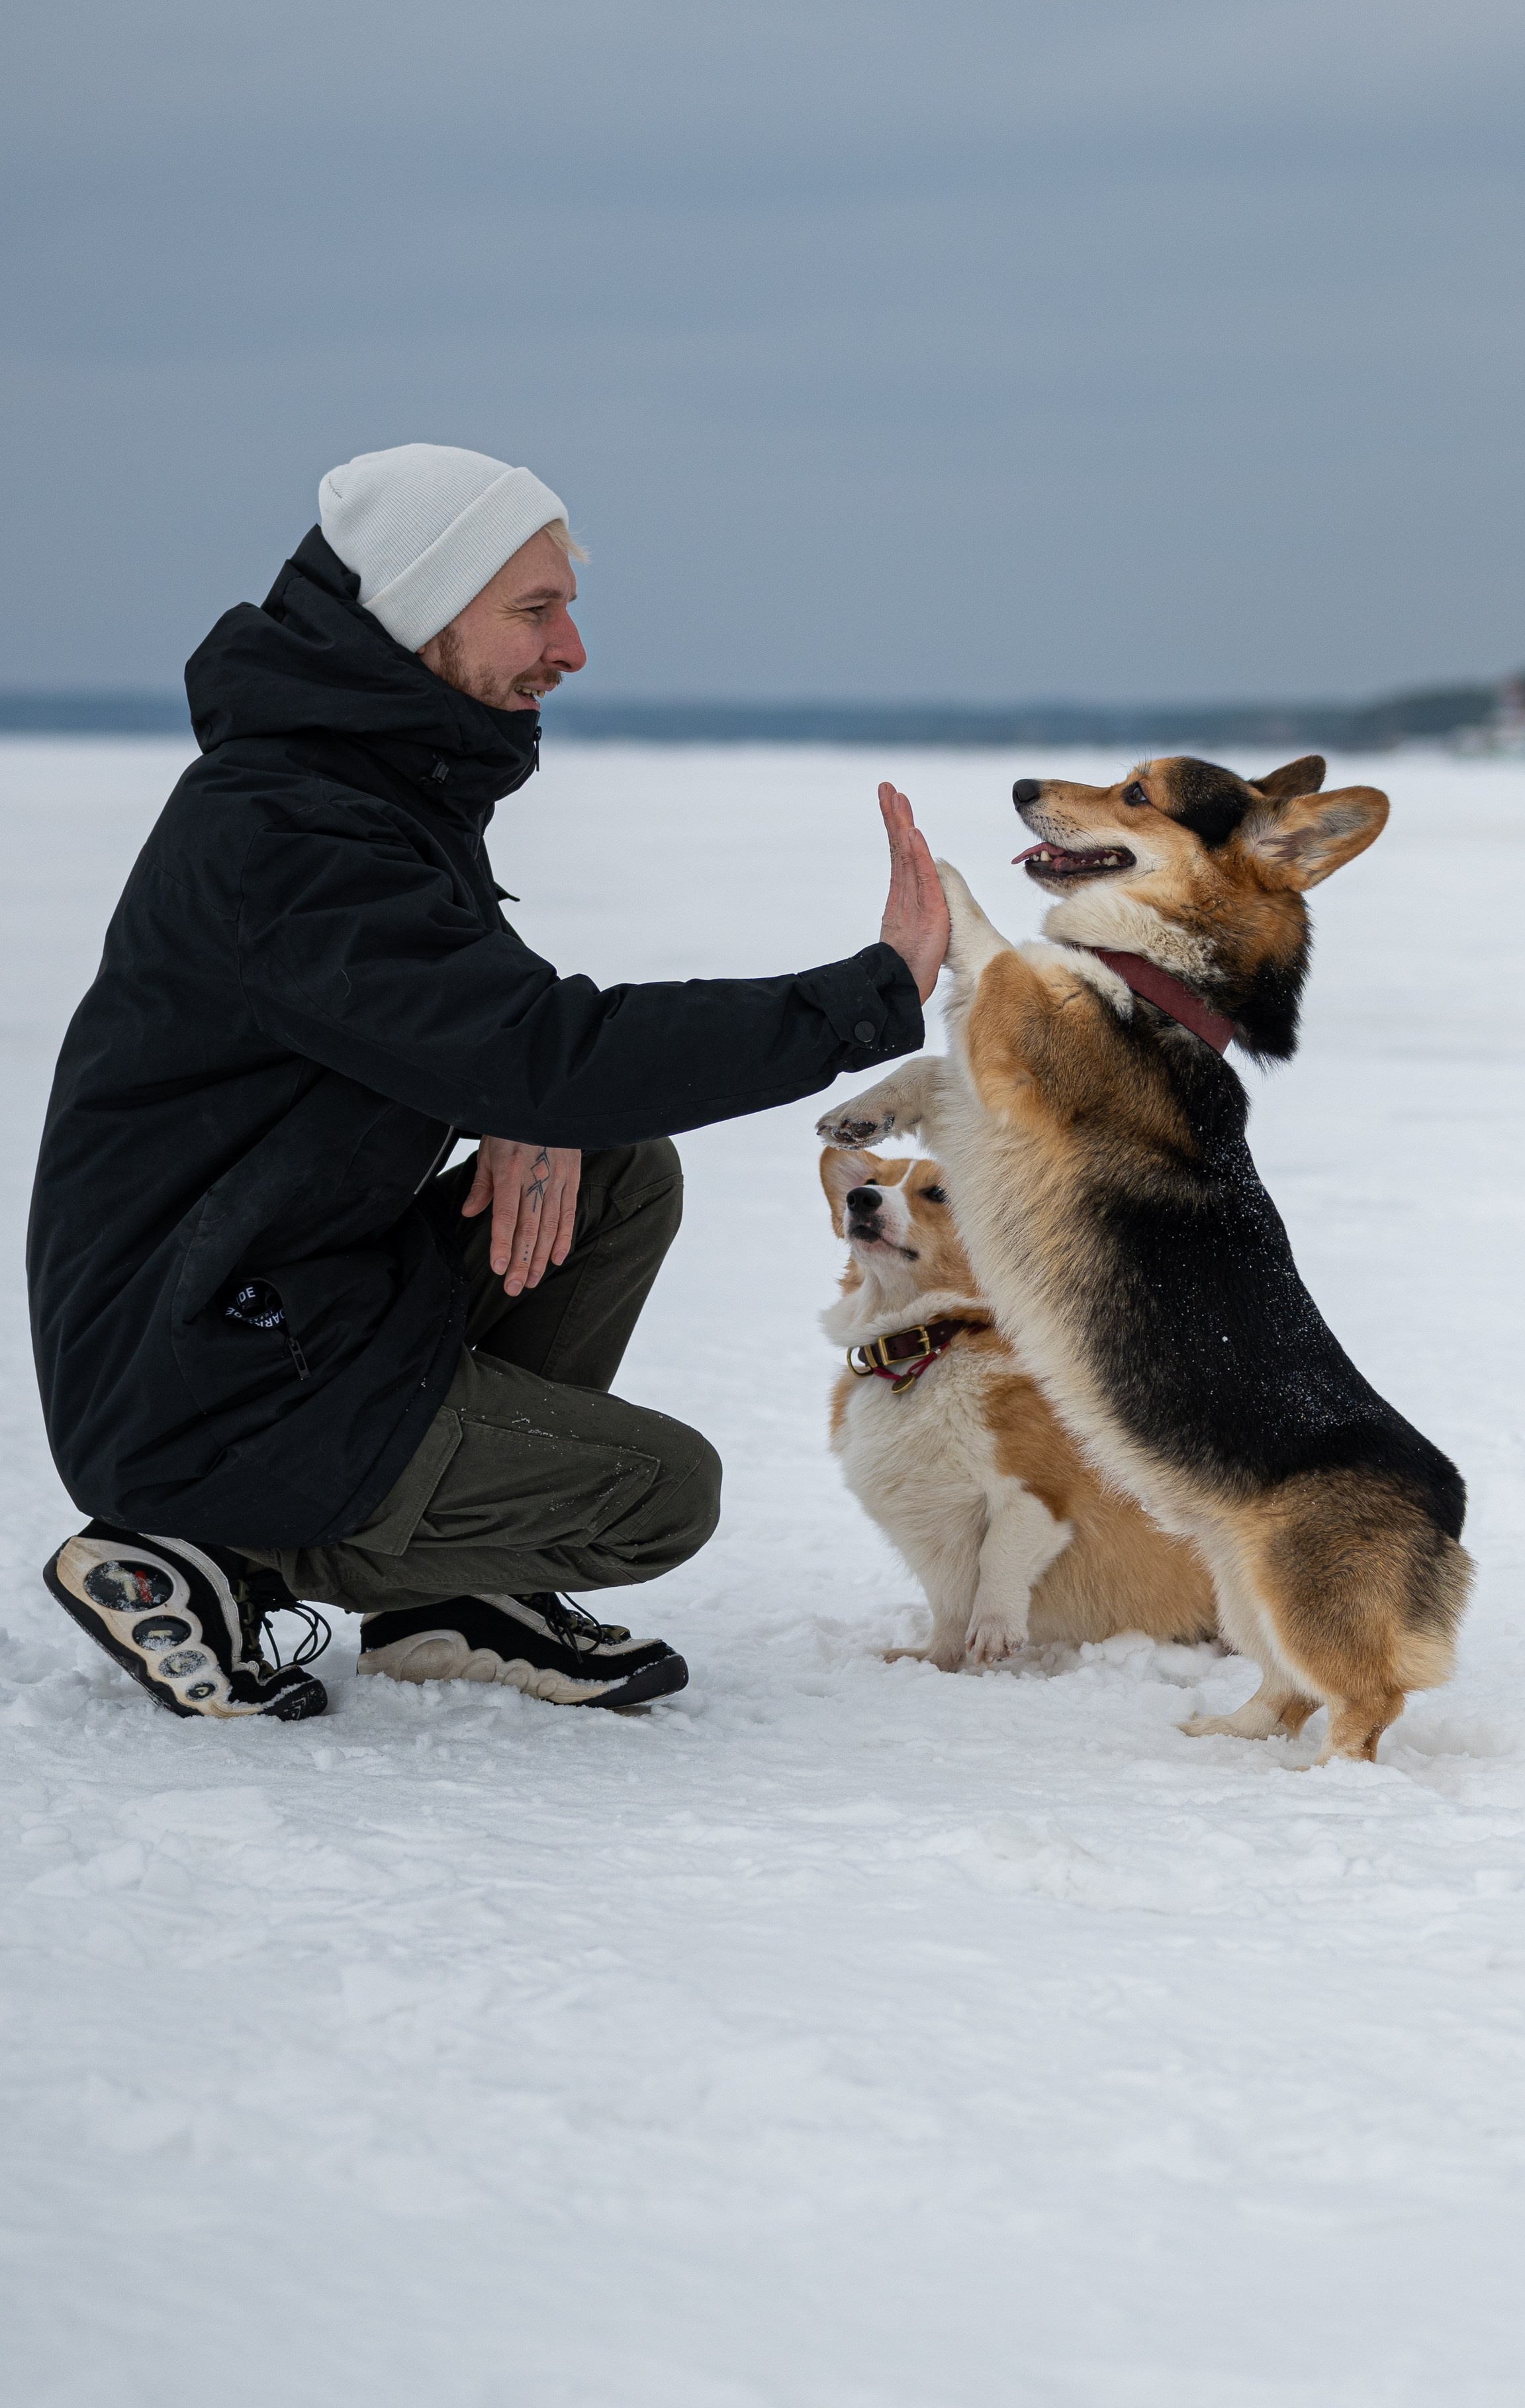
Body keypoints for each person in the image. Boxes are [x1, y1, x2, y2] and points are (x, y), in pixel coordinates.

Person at [29, 444, 949, 1721]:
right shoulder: (290, 832)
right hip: (205, 1375)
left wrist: (532, 1104)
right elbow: (542, 1048)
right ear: (419, 610)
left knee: (616, 1170)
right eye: (534, 611)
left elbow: (485, 1028)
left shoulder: (370, 790)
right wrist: (871, 992)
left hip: (278, 1300)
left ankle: (451, 1594)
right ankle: (195, 1550)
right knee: (660, 1494)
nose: (570, 649)